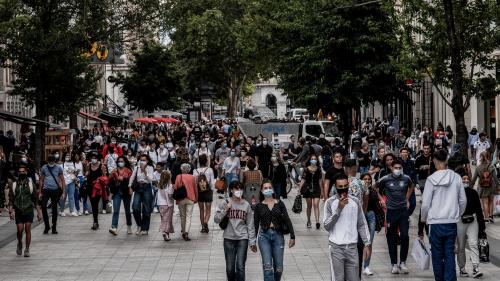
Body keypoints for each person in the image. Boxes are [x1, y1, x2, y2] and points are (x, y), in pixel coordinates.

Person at [421, 149, 467, 281]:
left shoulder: (431, 179)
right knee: (449, 254)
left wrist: (424, 219)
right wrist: (457, 214)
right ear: (447, 160)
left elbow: (425, 204)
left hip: (435, 223)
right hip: (451, 222)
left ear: (434, 161)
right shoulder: (456, 177)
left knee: (437, 255)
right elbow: (463, 201)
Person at [323, 173, 371, 281]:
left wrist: (367, 244)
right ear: (335, 186)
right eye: (340, 187)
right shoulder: (330, 203)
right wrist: (338, 209)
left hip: (352, 249)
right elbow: (326, 226)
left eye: (345, 186)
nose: (343, 188)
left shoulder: (355, 201)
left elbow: (361, 223)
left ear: (348, 184)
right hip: (336, 249)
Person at [376, 159, 413, 274]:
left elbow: (411, 187)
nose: (398, 170)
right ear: (391, 168)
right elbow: (375, 187)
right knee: (391, 237)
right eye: (396, 168)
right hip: (391, 212)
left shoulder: (406, 178)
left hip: (403, 211)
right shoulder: (386, 179)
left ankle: (403, 262)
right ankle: (394, 264)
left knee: (405, 236)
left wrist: (407, 198)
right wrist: (382, 199)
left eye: (399, 168)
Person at [214, 181, 257, 281]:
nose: (239, 191)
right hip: (229, 239)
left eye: (240, 189)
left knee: (240, 267)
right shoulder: (225, 202)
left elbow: (250, 225)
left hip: (243, 238)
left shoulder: (246, 205)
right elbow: (216, 219)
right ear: (231, 190)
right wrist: (226, 210)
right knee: (230, 269)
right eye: (236, 189)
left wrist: (252, 242)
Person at [254, 180, 295, 281]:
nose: (268, 190)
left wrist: (292, 237)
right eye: (265, 188)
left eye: (269, 188)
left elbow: (287, 219)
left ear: (272, 189)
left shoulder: (280, 204)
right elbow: (255, 224)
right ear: (262, 191)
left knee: (279, 269)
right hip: (264, 236)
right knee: (267, 267)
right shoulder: (258, 206)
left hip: (278, 236)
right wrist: (253, 241)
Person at [455, 168, 485, 278]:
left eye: (467, 179)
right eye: (464, 179)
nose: (466, 181)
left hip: (472, 220)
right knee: (461, 246)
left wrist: (482, 227)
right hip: (460, 220)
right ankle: (462, 268)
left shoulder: (473, 193)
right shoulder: (455, 193)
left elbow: (478, 209)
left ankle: (476, 267)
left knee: (473, 243)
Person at [8, 165, 40, 257]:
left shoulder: (31, 184)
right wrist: (11, 211)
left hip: (28, 209)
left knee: (27, 229)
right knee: (20, 230)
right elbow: (11, 199)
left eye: (23, 171)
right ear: (18, 173)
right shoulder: (14, 185)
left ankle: (27, 249)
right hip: (18, 210)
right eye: (20, 171)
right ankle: (19, 243)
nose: (22, 173)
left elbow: (35, 199)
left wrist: (39, 212)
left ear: (26, 172)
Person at [360, 173, 381, 276]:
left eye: (369, 179)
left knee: (369, 242)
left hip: (371, 216)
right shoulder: (358, 191)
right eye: (365, 179)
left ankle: (366, 266)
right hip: (360, 216)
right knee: (359, 242)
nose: (367, 181)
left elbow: (378, 201)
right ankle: (358, 264)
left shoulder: (373, 191)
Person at [39, 154, 65, 234]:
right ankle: (47, 225)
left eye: (52, 162)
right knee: (43, 206)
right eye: (49, 162)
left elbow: (62, 180)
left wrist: (63, 192)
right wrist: (40, 192)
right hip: (46, 189)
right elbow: (41, 180)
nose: (51, 163)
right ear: (48, 161)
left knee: (54, 209)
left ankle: (54, 227)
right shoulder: (44, 168)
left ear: (55, 161)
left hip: (55, 190)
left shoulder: (58, 168)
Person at [129, 154, 155, 235]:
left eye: (144, 160)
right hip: (138, 188)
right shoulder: (136, 168)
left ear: (147, 161)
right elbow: (132, 177)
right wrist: (130, 187)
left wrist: (145, 172)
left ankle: (145, 228)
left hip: (147, 187)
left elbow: (151, 180)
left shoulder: (150, 168)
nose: (142, 161)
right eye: (141, 160)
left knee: (146, 209)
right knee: (135, 207)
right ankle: (139, 225)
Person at [470, 151, 498, 223]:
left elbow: (474, 179)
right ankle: (491, 216)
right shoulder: (492, 166)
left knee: (485, 202)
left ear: (481, 158)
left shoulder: (478, 168)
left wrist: (471, 186)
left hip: (482, 187)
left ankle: (486, 218)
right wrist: (498, 185)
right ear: (488, 157)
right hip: (491, 186)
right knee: (491, 201)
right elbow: (495, 178)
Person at [108, 156, 133, 235]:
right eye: (119, 161)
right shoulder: (114, 171)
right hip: (117, 192)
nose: (120, 163)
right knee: (116, 210)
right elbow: (110, 181)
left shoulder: (128, 171)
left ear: (125, 162)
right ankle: (114, 227)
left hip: (126, 192)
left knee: (127, 210)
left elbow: (131, 181)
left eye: (122, 161)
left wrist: (125, 181)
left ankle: (129, 226)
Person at [415, 143, 435, 238]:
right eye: (425, 148)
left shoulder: (434, 158)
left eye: (428, 148)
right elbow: (416, 170)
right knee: (425, 205)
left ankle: (427, 228)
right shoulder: (419, 158)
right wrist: (422, 168)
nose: (426, 150)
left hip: (432, 181)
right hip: (423, 181)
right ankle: (422, 229)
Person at [174, 163, 198, 241]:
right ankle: (186, 232)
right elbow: (195, 188)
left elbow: (176, 187)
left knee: (182, 216)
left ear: (181, 169)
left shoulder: (178, 177)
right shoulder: (192, 177)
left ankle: (183, 231)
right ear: (189, 169)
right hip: (190, 198)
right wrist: (196, 198)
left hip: (181, 198)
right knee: (188, 216)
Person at [299, 154, 323, 229]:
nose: (313, 160)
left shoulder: (319, 169)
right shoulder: (306, 169)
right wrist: (299, 188)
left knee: (316, 204)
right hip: (307, 189)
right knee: (309, 206)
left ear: (317, 160)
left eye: (315, 159)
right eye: (312, 158)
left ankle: (317, 221)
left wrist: (322, 191)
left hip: (316, 188)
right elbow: (303, 179)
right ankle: (309, 220)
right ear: (310, 160)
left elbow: (320, 181)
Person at [86, 153, 107, 230]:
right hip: (90, 187)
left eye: (95, 158)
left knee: (96, 203)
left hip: (98, 188)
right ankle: (95, 222)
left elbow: (105, 177)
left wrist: (100, 179)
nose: (93, 159)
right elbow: (87, 174)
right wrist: (86, 174)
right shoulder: (89, 165)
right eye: (92, 158)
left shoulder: (102, 166)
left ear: (97, 159)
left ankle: (95, 222)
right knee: (93, 204)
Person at [193, 154, 214, 233]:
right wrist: (211, 191)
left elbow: (194, 183)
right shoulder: (210, 170)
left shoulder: (195, 171)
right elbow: (212, 183)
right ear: (206, 161)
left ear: (199, 162)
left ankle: (202, 227)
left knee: (201, 210)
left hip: (199, 192)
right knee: (208, 210)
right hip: (208, 191)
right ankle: (206, 222)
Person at [157, 170, 174, 241]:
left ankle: (167, 234)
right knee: (167, 220)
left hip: (160, 204)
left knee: (163, 218)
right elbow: (170, 196)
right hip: (168, 205)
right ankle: (164, 232)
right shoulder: (169, 186)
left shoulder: (160, 184)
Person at [59, 152, 78, 217]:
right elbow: (59, 174)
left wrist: (75, 175)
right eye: (66, 155)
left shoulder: (73, 163)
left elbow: (75, 172)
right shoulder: (62, 164)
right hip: (64, 182)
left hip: (71, 182)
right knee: (63, 197)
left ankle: (72, 211)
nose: (68, 156)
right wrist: (60, 183)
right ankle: (61, 210)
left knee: (71, 197)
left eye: (69, 155)